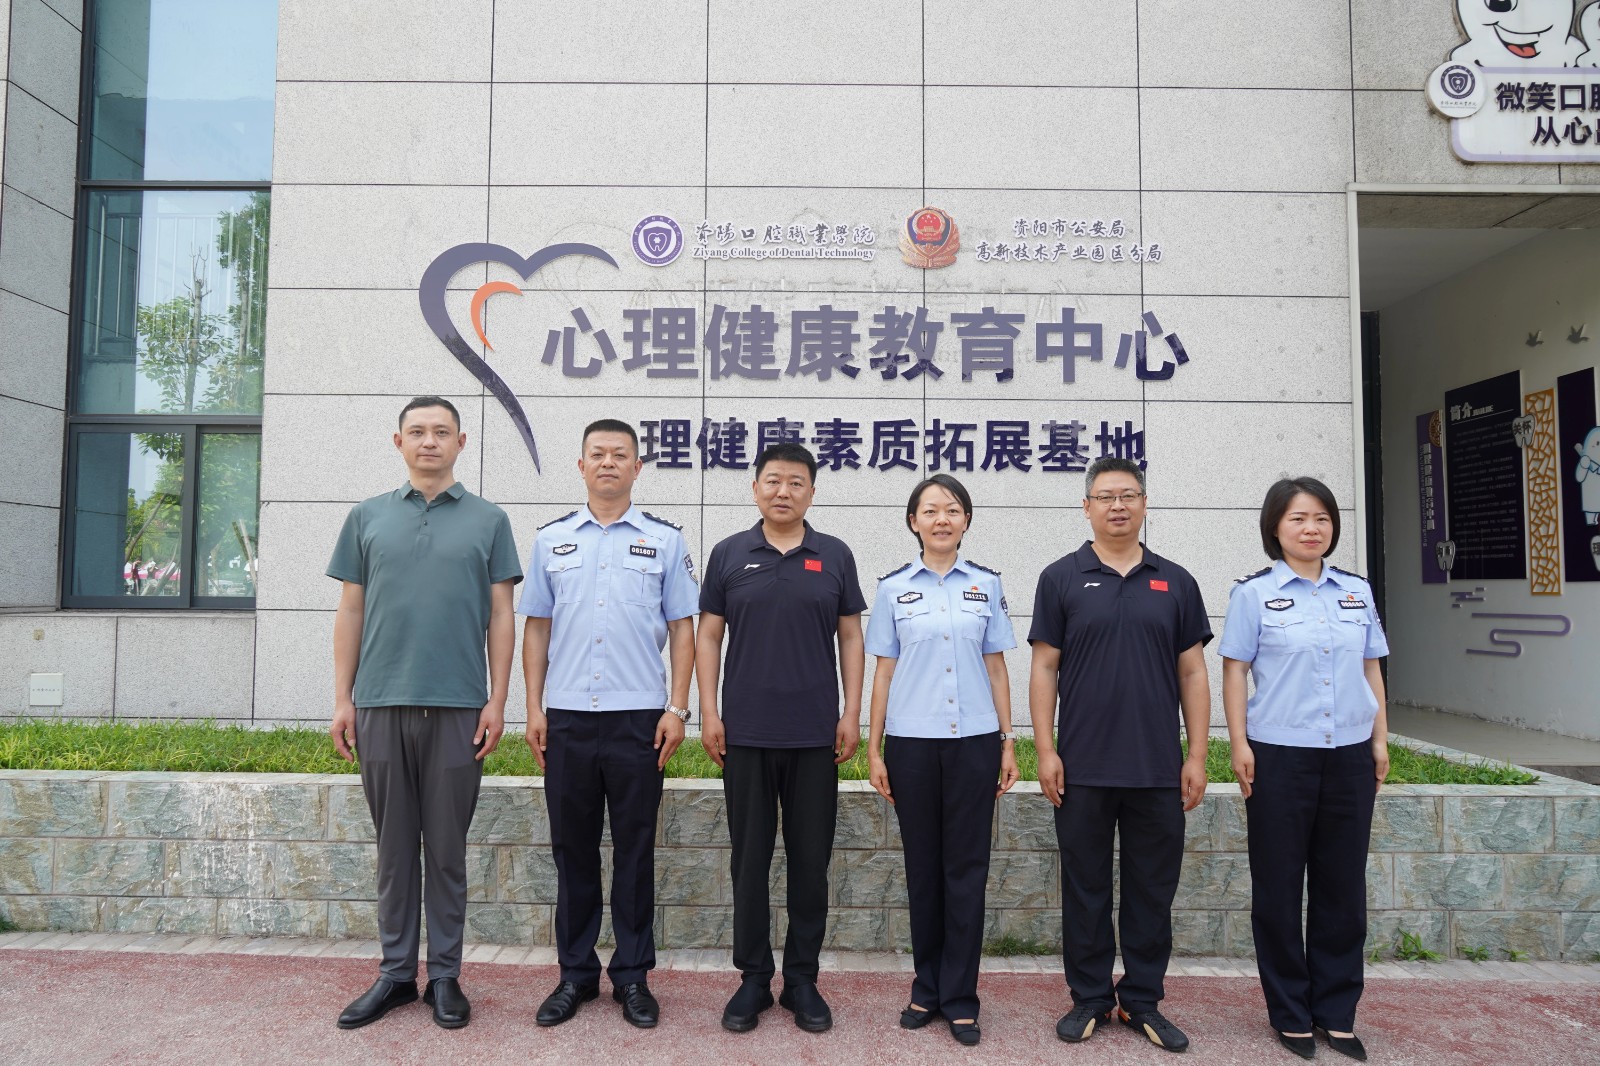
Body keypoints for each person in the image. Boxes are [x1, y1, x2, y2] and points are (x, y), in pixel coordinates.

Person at [327, 395, 522, 1031]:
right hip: (379, 702)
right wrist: (343, 698)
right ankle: (394, 975)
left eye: (442, 431)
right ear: (399, 442)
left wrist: (498, 699)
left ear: (462, 442)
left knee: (445, 849)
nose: (429, 441)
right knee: (393, 850)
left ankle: (444, 976)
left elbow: (501, 613)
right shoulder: (366, 517)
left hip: (459, 705)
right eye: (418, 431)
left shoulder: (489, 520)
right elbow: (351, 609)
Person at [1028, 455, 1212, 1054]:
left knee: (1151, 889)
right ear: (1086, 507)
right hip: (1082, 766)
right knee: (1085, 887)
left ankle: (1141, 1000)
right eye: (1105, 497)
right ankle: (1089, 997)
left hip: (1157, 767)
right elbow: (1044, 667)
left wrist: (1196, 755)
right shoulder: (1061, 577)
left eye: (1128, 495)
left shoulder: (1175, 581)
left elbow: (1193, 672)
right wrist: (1046, 749)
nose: (1117, 506)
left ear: (1144, 504)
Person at [519, 419, 698, 1029]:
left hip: (638, 719)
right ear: (581, 465)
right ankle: (575, 975)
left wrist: (677, 708)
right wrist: (534, 706)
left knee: (635, 851)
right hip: (568, 716)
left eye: (620, 454)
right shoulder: (552, 540)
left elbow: (683, 628)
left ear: (637, 467)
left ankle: (632, 977)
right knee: (571, 850)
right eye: (597, 453)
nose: (608, 463)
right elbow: (537, 627)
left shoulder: (664, 540)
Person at [695, 442, 866, 1034]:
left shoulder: (834, 555)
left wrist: (851, 713)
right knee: (749, 859)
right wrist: (708, 712)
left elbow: (851, 637)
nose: (783, 491)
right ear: (755, 489)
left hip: (815, 733)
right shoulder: (728, 553)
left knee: (810, 860)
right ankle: (752, 978)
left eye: (796, 482)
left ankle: (801, 980)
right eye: (772, 480)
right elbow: (709, 636)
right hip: (745, 732)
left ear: (811, 492)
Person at [1219, 477, 1389, 1063]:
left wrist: (1379, 738)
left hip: (1349, 754)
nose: (1311, 528)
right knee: (1278, 886)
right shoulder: (1254, 595)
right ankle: (1290, 1011)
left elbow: (1371, 667)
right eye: (1297, 518)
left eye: (1321, 518)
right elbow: (1235, 671)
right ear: (1275, 528)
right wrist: (1238, 743)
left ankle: (1336, 1012)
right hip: (1279, 755)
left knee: (1343, 887)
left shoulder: (1356, 592)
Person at [865, 474, 1019, 1047]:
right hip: (911, 744)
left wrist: (1008, 740)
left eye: (952, 510)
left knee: (966, 870)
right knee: (924, 869)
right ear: (914, 522)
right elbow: (883, 672)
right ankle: (926, 988)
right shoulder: (892, 589)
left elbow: (997, 667)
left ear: (966, 520)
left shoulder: (986, 585)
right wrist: (875, 747)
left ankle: (960, 997)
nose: (941, 519)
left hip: (974, 742)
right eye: (930, 510)